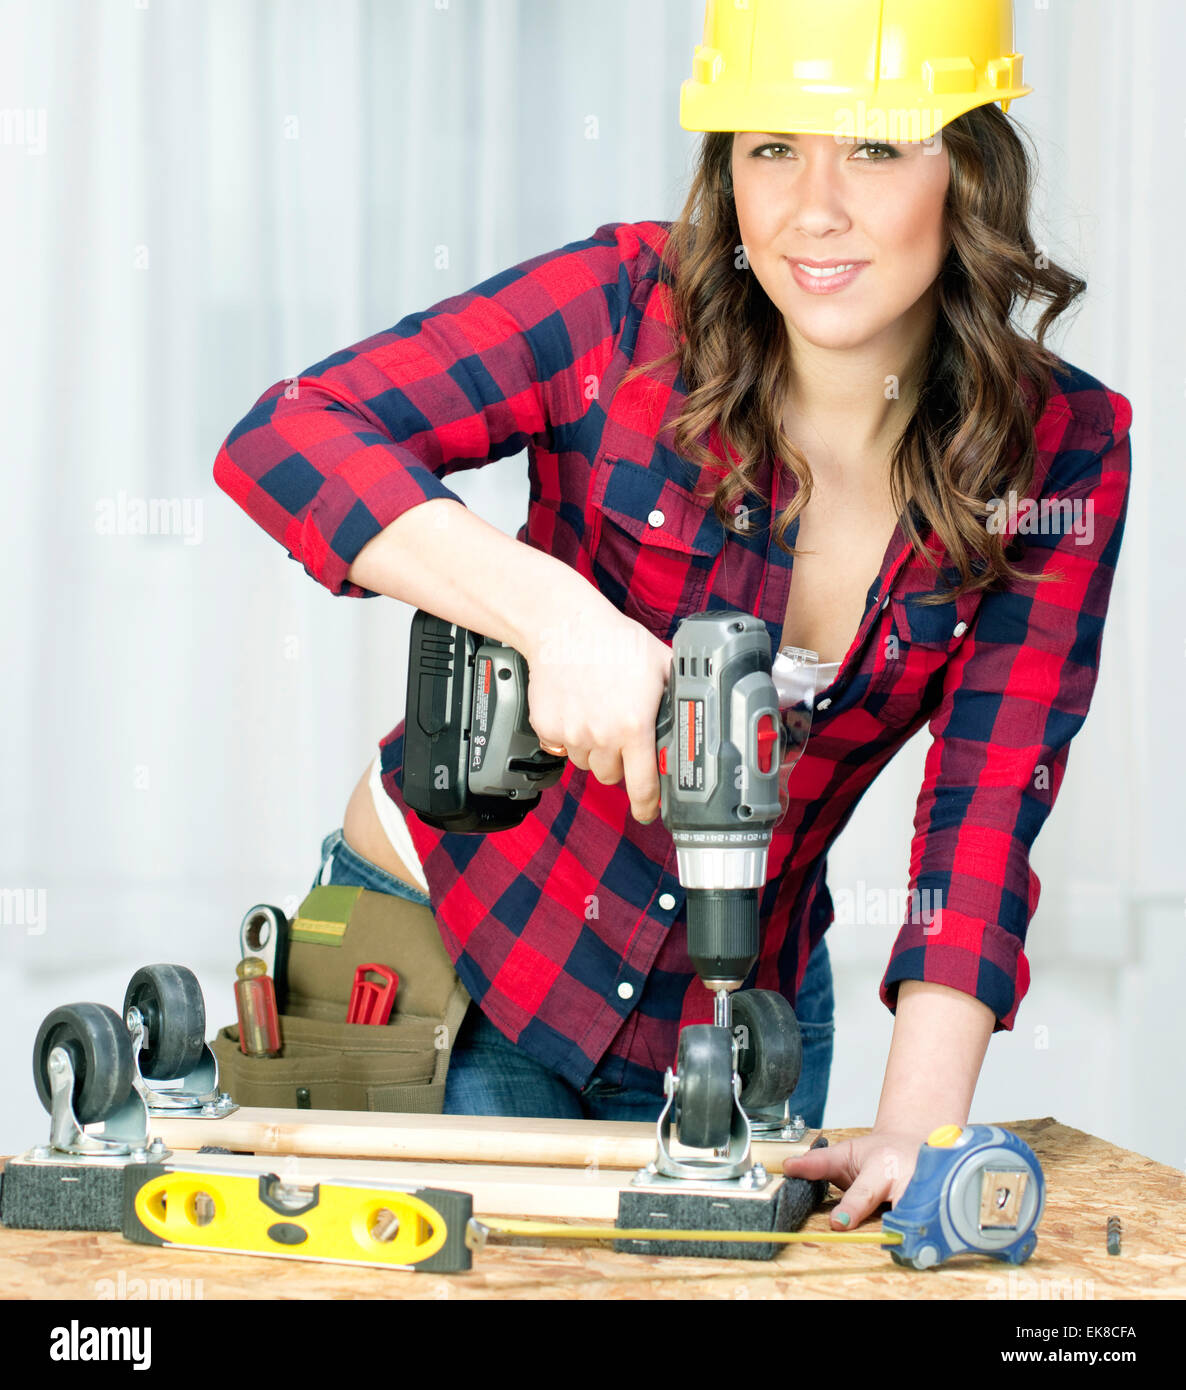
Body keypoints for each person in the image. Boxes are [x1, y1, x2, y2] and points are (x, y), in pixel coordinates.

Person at [213, 0, 1131, 1230]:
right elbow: (290, 436)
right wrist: (558, 620)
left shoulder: (1057, 451)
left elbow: (985, 802)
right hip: (443, 972)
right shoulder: (623, 311)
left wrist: (918, 1130)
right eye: (769, 147)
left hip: (734, 1024)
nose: (814, 207)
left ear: (966, 167)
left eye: (871, 147)